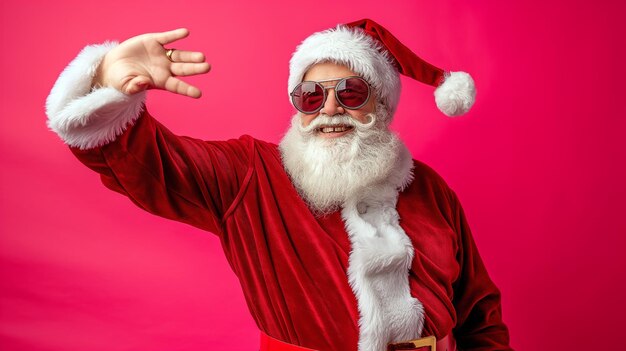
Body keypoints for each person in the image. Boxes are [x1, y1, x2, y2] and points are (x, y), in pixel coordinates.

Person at [46, 19, 512, 351]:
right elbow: (144, 163)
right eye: (311, 97)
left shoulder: (428, 188)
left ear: (382, 104)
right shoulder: (250, 174)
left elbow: (478, 309)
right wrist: (106, 79)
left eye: (350, 93)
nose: (329, 109)